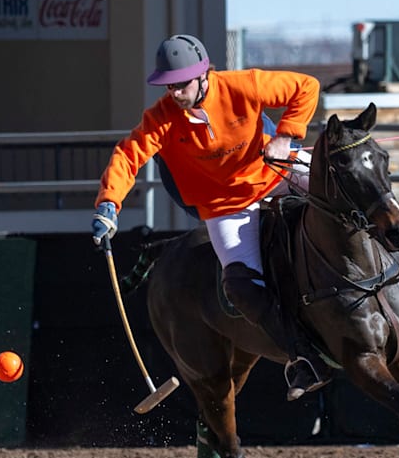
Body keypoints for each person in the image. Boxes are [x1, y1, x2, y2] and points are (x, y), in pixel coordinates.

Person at [90, 34, 330, 401]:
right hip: (225, 206)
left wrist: (287, 134)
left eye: (182, 84)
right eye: (169, 86)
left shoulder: (242, 85)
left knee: (343, 187)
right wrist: (109, 205)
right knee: (239, 284)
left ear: (204, 75)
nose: (175, 93)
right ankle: (301, 355)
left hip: (274, 172)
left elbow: (306, 87)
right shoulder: (162, 118)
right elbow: (128, 156)